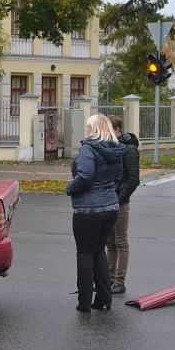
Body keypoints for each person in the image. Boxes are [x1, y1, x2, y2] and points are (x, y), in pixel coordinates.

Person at [66, 114, 125, 312]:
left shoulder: (88, 148)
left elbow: (85, 176)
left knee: (84, 253)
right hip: (110, 208)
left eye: (88, 127)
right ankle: (103, 298)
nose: (86, 130)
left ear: (94, 129)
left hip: (88, 210)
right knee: (99, 251)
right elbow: (119, 177)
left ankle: (84, 303)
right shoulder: (115, 149)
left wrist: (70, 188)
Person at [106, 116, 140, 295]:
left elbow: (133, 179)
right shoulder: (111, 148)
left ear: (118, 129)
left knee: (120, 242)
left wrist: (120, 198)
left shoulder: (129, 150)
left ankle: (119, 281)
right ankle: (109, 279)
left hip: (120, 202)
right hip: (108, 200)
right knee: (109, 242)